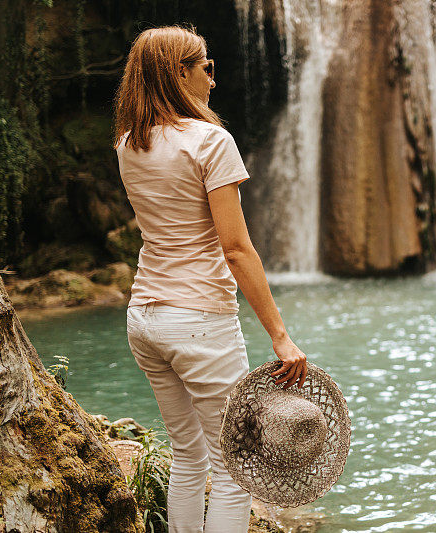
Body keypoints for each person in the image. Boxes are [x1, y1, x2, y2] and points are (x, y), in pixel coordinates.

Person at [113, 25, 308, 533]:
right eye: (207, 68)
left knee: (188, 455)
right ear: (180, 72)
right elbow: (237, 249)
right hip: (199, 322)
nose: (213, 81)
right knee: (232, 468)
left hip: (145, 318)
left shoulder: (129, 144)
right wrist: (280, 337)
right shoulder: (210, 141)